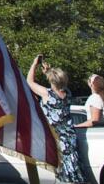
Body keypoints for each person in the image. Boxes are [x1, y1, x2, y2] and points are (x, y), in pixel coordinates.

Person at [25, 56, 85, 184]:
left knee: (62, 169)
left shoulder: (47, 94)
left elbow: (29, 82)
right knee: (73, 165)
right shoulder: (67, 93)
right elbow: (56, 83)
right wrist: (48, 71)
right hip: (69, 135)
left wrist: (34, 64)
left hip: (57, 137)